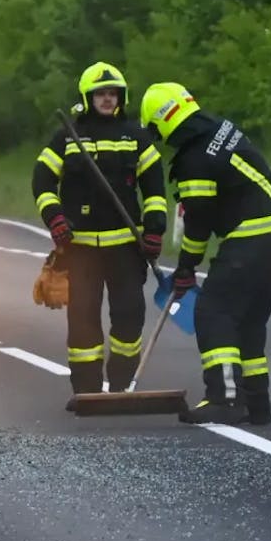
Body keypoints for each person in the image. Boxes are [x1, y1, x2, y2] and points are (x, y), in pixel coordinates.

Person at [139, 82, 271, 426]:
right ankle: (257, 403)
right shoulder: (220, 129)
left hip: (251, 235)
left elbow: (198, 223)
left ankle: (225, 399)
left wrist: (185, 268)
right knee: (249, 320)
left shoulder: (194, 160)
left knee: (214, 311)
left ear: (161, 123)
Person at [31, 62, 167, 408]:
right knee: (83, 320)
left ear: (120, 97)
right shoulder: (67, 137)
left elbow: (154, 188)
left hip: (125, 246)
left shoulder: (136, 136)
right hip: (80, 250)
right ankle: (88, 390)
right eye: (100, 94)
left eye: (112, 94)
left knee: (129, 315)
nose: (107, 99)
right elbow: (42, 180)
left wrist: (154, 230)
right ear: (88, 97)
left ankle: (121, 385)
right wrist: (56, 218)